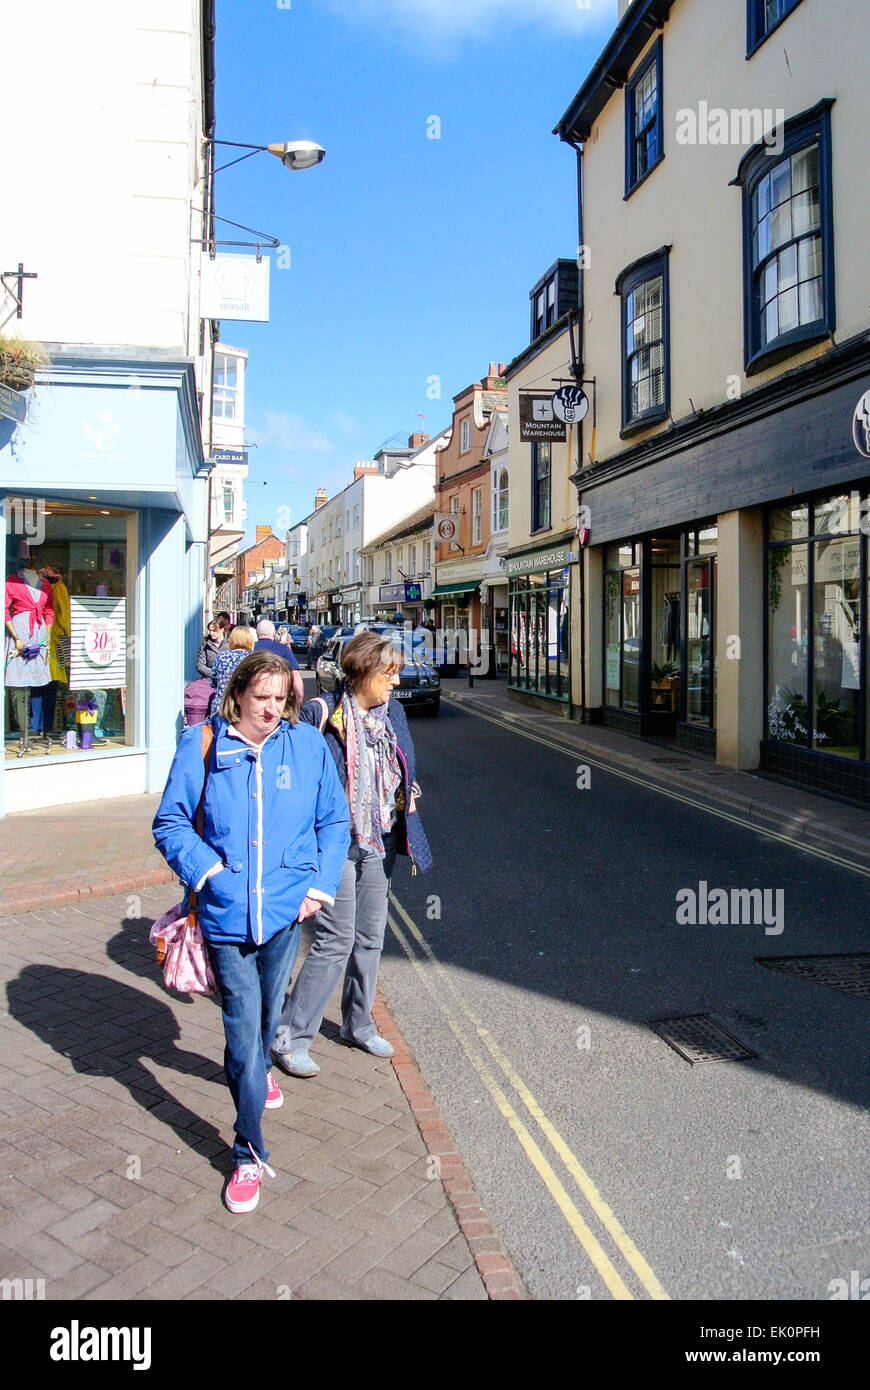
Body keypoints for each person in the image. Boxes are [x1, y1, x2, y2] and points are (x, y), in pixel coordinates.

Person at [153, 652, 350, 1213]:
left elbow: (333, 821)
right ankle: (247, 1151)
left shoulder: (308, 746)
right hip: (226, 916)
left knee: (265, 1019)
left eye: (280, 698)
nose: (271, 709)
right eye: (259, 697)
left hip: (287, 912)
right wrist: (208, 871)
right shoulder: (202, 746)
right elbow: (169, 821)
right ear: (237, 694)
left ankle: (256, 1070)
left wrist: (319, 886)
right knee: (242, 1026)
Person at [272, 631, 432, 1079]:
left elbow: (405, 767)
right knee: (334, 940)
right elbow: (299, 779)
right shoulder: (321, 714)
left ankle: (358, 1023)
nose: (396, 683)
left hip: (380, 839)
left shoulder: (393, 713)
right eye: (389, 674)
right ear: (362, 671)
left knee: (370, 936)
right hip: (335, 844)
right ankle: (291, 1035)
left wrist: (406, 791)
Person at [209, 623, 255, 716]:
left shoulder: (222, 657)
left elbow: (212, 682)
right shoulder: (254, 658)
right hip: (245, 708)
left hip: (221, 707)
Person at [254, 619, 303, 703]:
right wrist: (299, 697)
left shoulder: (251, 648)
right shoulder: (283, 649)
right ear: (274, 633)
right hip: (279, 696)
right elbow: (295, 675)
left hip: (256, 695)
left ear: (257, 634)